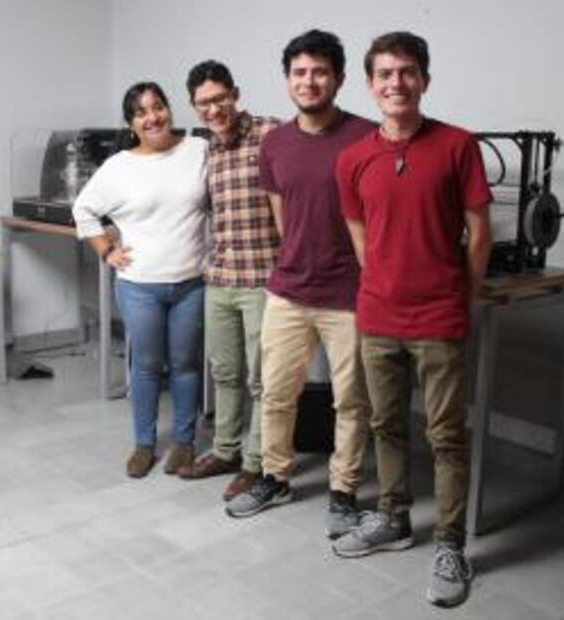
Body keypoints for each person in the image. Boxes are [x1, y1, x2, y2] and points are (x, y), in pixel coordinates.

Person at [332, 31, 493, 608]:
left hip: (439, 317)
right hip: (378, 316)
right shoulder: (353, 159)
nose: (396, 83)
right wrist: (387, 284)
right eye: (385, 74)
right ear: (370, 84)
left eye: (406, 72)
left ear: (424, 79)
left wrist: (459, 294)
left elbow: (480, 232)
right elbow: (361, 240)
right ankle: (393, 518)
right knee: (386, 425)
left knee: (445, 435)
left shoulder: (458, 145)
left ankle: (450, 545)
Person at [224, 30, 375, 541]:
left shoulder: (367, 138)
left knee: (351, 402)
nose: (309, 81)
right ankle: (276, 478)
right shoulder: (275, 144)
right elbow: (283, 220)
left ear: (339, 78)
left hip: (350, 295)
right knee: (275, 394)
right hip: (288, 291)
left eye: (319, 72)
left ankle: (343, 492)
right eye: (299, 72)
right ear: (287, 79)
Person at [72, 82, 208, 479]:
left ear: (169, 109)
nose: (152, 117)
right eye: (141, 112)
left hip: (191, 281)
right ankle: (144, 445)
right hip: (139, 286)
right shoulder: (119, 167)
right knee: (147, 366)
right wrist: (106, 250)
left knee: (185, 364)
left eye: (158, 107)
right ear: (130, 123)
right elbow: (83, 210)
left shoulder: (198, 150)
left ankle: (184, 441)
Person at [176, 60, 280, 501]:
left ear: (235, 94)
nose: (213, 109)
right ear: (194, 106)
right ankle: (225, 451)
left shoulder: (272, 133)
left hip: (263, 278)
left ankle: (256, 464)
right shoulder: (207, 149)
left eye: (220, 98)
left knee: (261, 379)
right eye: (203, 103)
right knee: (224, 371)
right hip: (219, 277)